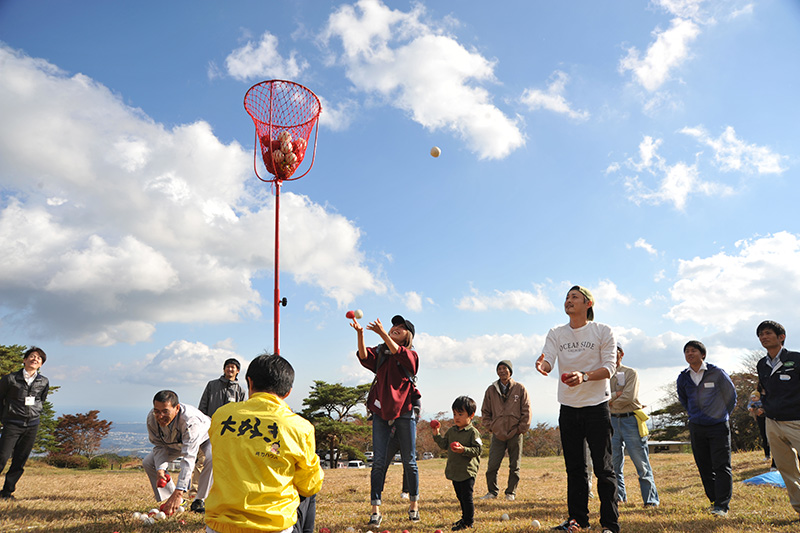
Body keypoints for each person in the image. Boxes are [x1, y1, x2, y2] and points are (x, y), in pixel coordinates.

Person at [205, 353, 324, 533]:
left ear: (249, 382)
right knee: (310, 487)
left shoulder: (221, 416)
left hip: (220, 525)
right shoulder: (300, 426)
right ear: (288, 392)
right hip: (274, 527)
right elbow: (310, 485)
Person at [535, 285, 619, 533]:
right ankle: (578, 520)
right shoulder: (556, 333)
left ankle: (610, 525)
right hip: (569, 408)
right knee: (575, 468)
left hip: (596, 407)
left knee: (604, 468)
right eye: (567, 298)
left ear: (588, 304)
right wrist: (543, 364)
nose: (568, 301)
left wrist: (584, 376)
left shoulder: (602, 331)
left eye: (575, 297)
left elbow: (609, 368)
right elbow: (548, 359)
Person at [351, 314, 421, 527]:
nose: (395, 328)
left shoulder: (411, 355)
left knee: (409, 461)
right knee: (379, 462)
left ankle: (414, 506)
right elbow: (364, 356)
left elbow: (405, 359)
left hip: (405, 410)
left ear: (408, 336)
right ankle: (375, 510)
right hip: (381, 412)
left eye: (402, 327)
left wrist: (382, 333)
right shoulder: (381, 352)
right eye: (394, 326)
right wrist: (361, 335)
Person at [677, 340, 736, 518]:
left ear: (703, 354)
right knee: (704, 466)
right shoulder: (683, 377)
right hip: (696, 426)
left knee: (721, 465)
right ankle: (713, 500)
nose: (689, 354)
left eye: (693, 351)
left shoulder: (716, 372)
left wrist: (721, 415)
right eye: (686, 351)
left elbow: (731, 396)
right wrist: (695, 415)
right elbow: (683, 399)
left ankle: (722, 505)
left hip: (718, 426)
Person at [755, 320, 800, 519]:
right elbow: (763, 389)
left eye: (768, 333)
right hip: (772, 422)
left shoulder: (796, 359)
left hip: (796, 420)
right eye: (760, 335)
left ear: (781, 337)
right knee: (786, 468)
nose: (764, 337)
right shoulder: (762, 364)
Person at [143, 390, 212, 515]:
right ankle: (175, 500)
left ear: (177, 408)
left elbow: (188, 458)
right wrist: (160, 469)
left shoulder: (191, 422)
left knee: (211, 458)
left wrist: (180, 489)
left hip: (204, 438)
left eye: (165, 411)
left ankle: (199, 499)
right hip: (173, 444)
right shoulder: (151, 419)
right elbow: (159, 446)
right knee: (148, 462)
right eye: (157, 411)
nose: (160, 416)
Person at [608, 345, 659, 508]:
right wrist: (615, 396)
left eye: (613, 351)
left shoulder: (630, 373)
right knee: (613, 463)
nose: (609, 354)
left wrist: (608, 401)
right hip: (611, 421)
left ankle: (650, 500)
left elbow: (629, 397)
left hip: (631, 420)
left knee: (641, 463)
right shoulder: (601, 375)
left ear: (621, 354)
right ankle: (619, 497)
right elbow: (597, 397)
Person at [0, 347, 49, 500]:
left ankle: (7, 492)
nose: (35, 359)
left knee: (20, 460)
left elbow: (41, 399)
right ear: (25, 360)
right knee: (1, 457)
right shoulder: (10, 379)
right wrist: (4, 418)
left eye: (39, 358)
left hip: (32, 425)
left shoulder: (44, 381)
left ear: (41, 364)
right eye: (32, 356)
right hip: (12, 423)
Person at [479, 360, 531, 502]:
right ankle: (492, 492)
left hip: (515, 433)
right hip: (498, 434)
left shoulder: (520, 388)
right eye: (499, 369)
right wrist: (491, 427)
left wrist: (521, 429)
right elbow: (485, 411)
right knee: (492, 466)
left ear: (510, 371)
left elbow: (526, 410)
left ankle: (511, 492)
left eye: (505, 368)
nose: (502, 371)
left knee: (515, 466)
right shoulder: (491, 389)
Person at [193, 358, 246, 496]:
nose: (230, 369)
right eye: (228, 367)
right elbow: (203, 405)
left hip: (229, 431)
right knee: (203, 459)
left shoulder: (240, 390)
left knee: (226, 461)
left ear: (238, 371)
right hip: (209, 428)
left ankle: (219, 491)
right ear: (224, 369)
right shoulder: (212, 385)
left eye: (233, 367)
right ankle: (195, 492)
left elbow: (241, 412)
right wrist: (201, 424)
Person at [433, 396, 482, 531]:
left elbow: (478, 450)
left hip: (467, 471)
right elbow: (444, 445)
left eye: (461, 414)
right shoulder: (452, 431)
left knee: (467, 497)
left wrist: (463, 450)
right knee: (460, 496)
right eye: (455, 414)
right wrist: (436, 434)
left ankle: (468, 522)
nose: (457, 417)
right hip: (455, 471)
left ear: (471, 415)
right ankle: (464, 517)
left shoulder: (473, 432)